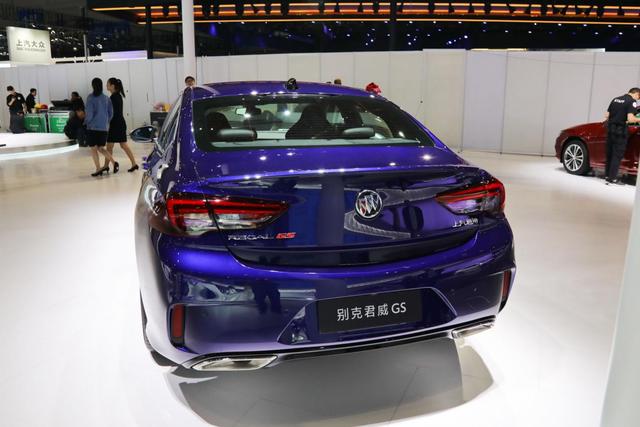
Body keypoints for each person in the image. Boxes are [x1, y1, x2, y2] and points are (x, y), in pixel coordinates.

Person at [604, 87, 640, 185]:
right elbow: (631, 119)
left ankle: (607, 176)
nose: (637, 99)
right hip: (620, 132)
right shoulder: (632, 101)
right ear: (636, 94)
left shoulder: (615, 99)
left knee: (609, 154)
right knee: (617, 155)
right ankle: (612, 178)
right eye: (638, 97)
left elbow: (607, 115)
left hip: (610, 130)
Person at [103, 77, 138, 172]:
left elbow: (111, 113)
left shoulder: (113, 97)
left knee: (112, 146)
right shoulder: (117, 96)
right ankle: (133, 164)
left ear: (112, 86)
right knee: (118, 145)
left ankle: (106, 166)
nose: (106, 86)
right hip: (119, 123)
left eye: (107, 84)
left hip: (116, 124)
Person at [85, 77, 117, 177]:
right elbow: (111, 113)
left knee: (94, 149)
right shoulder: (107, 98)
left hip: (92, 128)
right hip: (103, 128)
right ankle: (114, 162)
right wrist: (105, 122)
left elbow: (89, 114)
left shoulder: (90, 98)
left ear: (93, 86)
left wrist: (86, 122)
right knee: (101, 148)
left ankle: (98, 168)